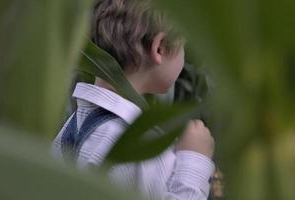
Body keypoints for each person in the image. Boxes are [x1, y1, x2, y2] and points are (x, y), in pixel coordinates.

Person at [52, 0, 215, 199]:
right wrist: (194, 159)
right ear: (160, 48)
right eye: (183, 46)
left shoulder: (71, 129)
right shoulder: (136, 149)